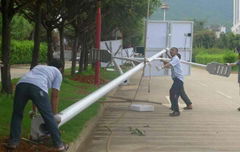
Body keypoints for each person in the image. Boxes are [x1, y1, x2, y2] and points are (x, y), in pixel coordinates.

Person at [6, 59, 68, 151]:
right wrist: (54, 114)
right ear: (60, 68)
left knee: (17, 114)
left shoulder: (39, 67)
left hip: (21, 85)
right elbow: (54, 95)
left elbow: (31, 87)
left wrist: (34, 111)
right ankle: (59, 145)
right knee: (48, 116)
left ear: (49, 64)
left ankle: (13, 142)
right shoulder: (57, 73)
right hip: (38, 88)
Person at [160, 47, 193, 116]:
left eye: (173, 50)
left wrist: (161, 67)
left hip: (178, 79)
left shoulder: (176, 58)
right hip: (178, 80)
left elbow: (169, 64)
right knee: (181, 93)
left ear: (176, 52)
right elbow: (169, 64)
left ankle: (176, 111)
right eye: (170, 50)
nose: (171, 51)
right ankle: (188, 105)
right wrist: (163, 58)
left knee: (173, 92)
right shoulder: (173, 58)